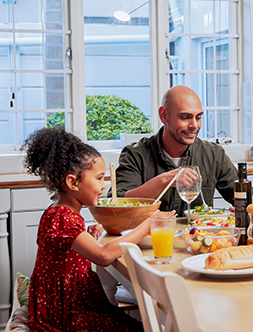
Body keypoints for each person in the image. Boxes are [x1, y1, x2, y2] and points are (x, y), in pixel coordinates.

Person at [21, 126, 157, 331]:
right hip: (65, 315)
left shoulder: (57, 212)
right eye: (99, 178)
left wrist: (87, 239)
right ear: (73, 182)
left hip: (65, 306)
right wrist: (148, 224)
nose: (104, 185)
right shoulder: (62, 218)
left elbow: (61, 255)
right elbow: (103, 256)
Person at [114, 85, 238, 215]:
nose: (194, 126)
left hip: (199, 235)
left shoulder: (214, 154)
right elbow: (118, 205)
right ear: (164, 115)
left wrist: (246, 211)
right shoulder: (135, 155)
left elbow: (247, 198)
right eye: (185, 117)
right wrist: (164, 180)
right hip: (153, 235)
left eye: (198, 117)